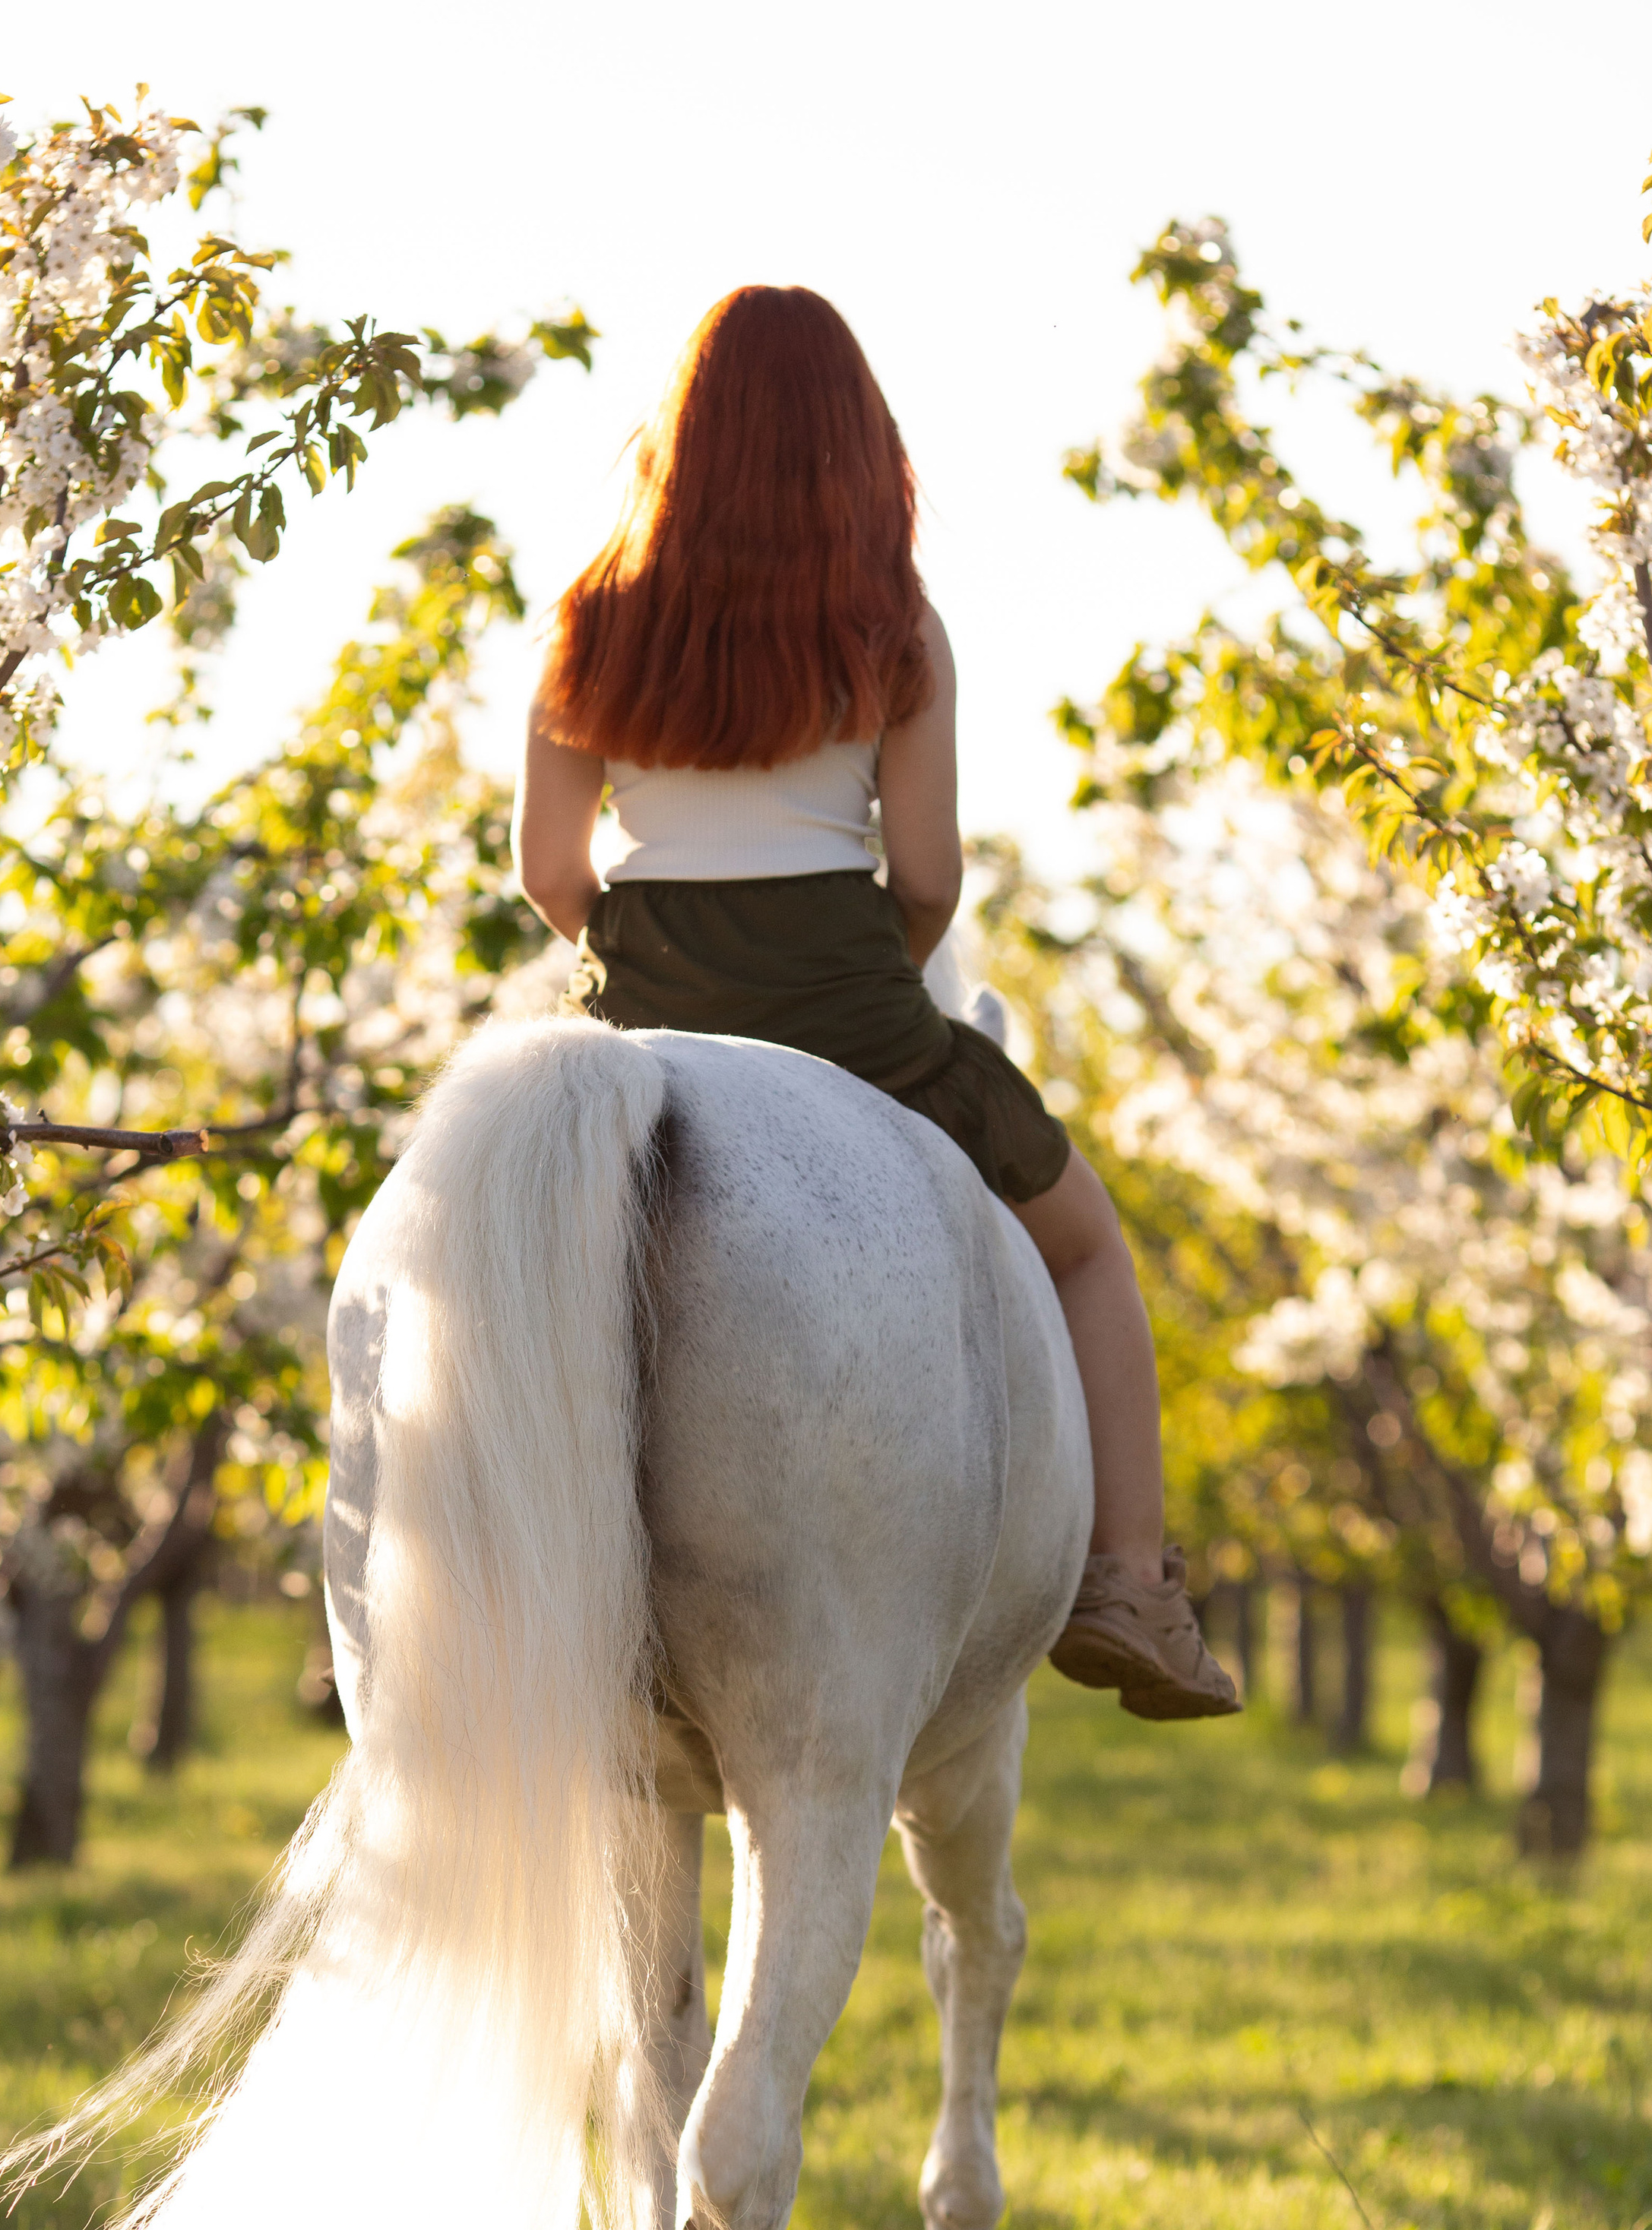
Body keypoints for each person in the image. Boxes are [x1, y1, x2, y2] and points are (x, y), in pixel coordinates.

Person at [512, 285, 1236, 1722]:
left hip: (643, 1011)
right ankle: (1132, 1588)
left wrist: (648, 958)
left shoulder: (590, 617)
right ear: (854, 440)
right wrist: (861, 977)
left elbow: (549, 870)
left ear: (679, 437)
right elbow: (928, 872)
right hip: (853, 1005)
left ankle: (398, 1587)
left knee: (465, 1230)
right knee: (1089, 1248)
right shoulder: (893, 623)